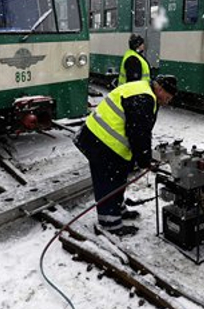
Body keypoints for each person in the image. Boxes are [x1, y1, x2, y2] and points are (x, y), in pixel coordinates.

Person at [75, 75, 178, 237]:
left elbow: (141, 131)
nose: (168, 101)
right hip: (100, 142)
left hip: (100, 139)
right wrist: (145, 160)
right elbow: (139, 133)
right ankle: (110, 224)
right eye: (168, 97)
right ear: (159, 89)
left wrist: (142, 157)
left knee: (120, 174)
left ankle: (118, 208)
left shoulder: (144, 90)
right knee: (108, 180)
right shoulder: (144, 99)